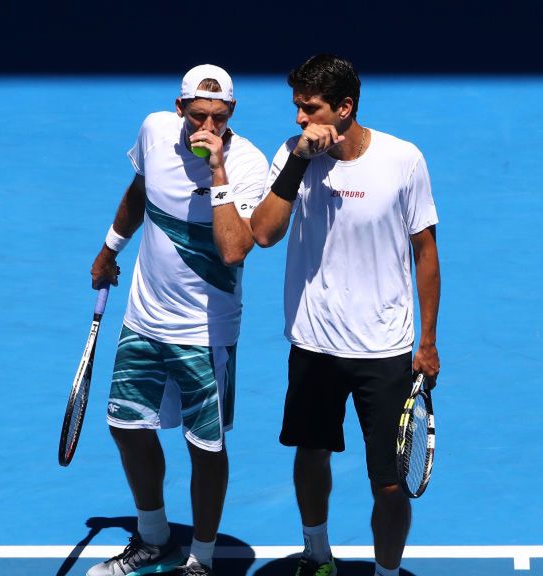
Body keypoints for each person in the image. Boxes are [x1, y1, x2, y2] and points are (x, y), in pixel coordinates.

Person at [251, 54, 442, 576]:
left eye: (309, 109)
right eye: (296, 108)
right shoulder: (292, 155)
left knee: (389, 482)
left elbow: (425, 251)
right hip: (314, 343)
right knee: (311, 455)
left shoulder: (403, 160)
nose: (298, 120)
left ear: (344, 108)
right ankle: (317, 556)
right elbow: (263, 234)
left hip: (384, 350)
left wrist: (427, 341)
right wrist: (298, 162)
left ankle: (385, 572)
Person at [86, 64, 268, 576]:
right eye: (197, 116)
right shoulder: (153, 131)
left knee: (205, 446)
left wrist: (217, 170)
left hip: (204, 333)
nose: (207, 127)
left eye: (218, 117)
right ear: (178, 108)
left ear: (230, 114)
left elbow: (234, 251)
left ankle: (202, 560)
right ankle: (153, 536)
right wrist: (110, 247)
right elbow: (140, 190)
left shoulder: (249, 165)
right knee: (125, 426)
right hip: (144, 317)